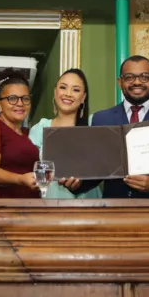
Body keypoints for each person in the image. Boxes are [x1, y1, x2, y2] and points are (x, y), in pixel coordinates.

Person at [69, 55, 149, 198]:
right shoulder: (102, 119)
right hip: (113, 211)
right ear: (120, 82)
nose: (137, 82)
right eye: (129, 77)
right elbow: (97, 171)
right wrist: (76, 184)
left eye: (144, 77)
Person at [28, 68, 101, 199]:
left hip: (89, 206)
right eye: (63, 87)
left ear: (83, 97)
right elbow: (30, 173)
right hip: (50, 207)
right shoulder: (40, 129)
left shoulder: (94, 124)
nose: (68, 94)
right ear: (55, 92)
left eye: (76, 90)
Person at [0, 68, 40, 198]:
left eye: (25, 99)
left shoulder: (29, 133)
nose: (20, 104)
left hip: (29, 207)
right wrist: (20, 179)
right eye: (12, 98)